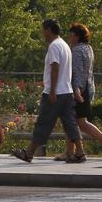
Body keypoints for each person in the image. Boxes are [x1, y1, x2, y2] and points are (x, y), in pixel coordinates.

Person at [11, 19, 82, 162]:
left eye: (43, 30)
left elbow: (54, 68)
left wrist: (52, 91)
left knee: (43, 122)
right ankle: (80, 152)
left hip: (56, 92)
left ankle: (29, 152)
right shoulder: (65, 45)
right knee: (70, 123)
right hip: (67, 92)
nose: (42, 33)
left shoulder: (54, 46)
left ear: (49, 30)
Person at [61, 22, 102, 162]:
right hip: (87, 87)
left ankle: (100, 142)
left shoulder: (77, 51)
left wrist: (77, 90)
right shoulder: (88, 48)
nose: (69, 37)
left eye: (71, 35)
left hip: (79, 90)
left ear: (77, 36)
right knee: (78, 122)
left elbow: (78, 72)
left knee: (72, 122)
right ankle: (71, 151)